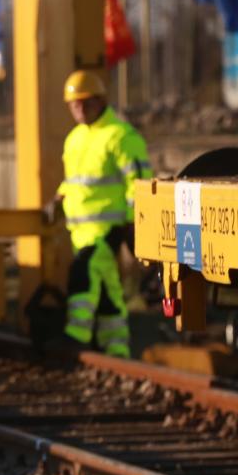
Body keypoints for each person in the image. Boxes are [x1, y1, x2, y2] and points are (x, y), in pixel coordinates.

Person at [57, 70, 151, 358]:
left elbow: (139, 184)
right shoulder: (74, 139)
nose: (80, 108)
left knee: (81, 276)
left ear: (101, 101)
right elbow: (75, 180)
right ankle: (116, 347)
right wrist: (57, 199)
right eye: (74, 103)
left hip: (108, 230)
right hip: (80, 233)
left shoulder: (121, 136)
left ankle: (76, 337)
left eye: (86, 102)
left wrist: (134, 225)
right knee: (109, 290)